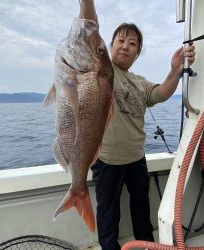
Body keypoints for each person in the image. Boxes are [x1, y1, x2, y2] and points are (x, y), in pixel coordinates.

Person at [79, 1, 196, 249]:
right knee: (108, 214)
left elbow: (161, 94)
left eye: (132, 44)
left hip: (136, 159)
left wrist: (175, 70)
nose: (126, 46)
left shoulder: (138, 81)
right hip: (106, 160)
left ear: (137, 52)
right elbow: (89, 28)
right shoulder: (101, 68)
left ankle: (146, 246)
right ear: (110, 46)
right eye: (121, 40)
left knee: (141, 208)